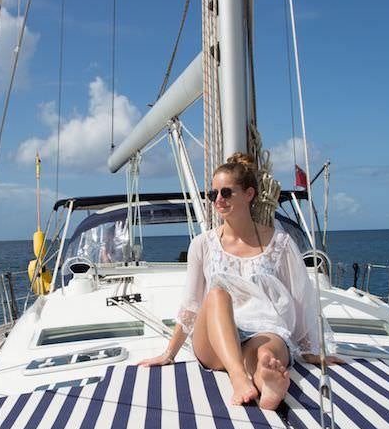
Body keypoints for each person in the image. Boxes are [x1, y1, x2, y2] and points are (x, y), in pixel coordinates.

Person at [140, 152, 338, 410]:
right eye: (213, 194)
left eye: (226, 192)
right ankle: (239, 378)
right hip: (214, 339)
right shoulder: (202, 245)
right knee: (217, 295)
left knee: (266, 352)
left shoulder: (280, 243)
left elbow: (300, 299)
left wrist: (311, 348)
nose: (218, 200)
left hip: (262, 328)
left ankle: (267, 387)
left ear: (249, 194)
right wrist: (169, 353)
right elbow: (191, 303)